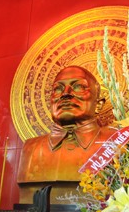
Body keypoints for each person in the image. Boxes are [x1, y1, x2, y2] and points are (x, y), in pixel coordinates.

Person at [17, 65, 116, 203]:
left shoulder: (116, 142)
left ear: (98, 104)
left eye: (79, 87)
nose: (66, 93)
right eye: (58, 89)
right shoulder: (31, 147)